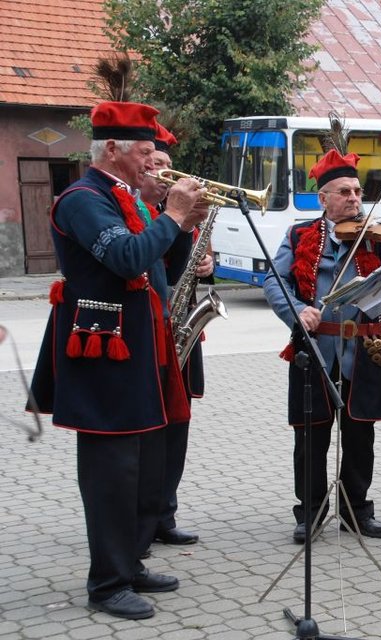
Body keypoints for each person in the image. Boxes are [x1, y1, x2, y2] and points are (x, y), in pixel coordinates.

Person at [27, 101, 208, 620]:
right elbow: (125, 258)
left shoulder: (126, 198)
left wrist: (183, 224)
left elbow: (158, 263)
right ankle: (106, 584)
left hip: (138, 343)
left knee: (144, 461)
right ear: (113, 149)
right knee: (111, 469)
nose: (155, 164)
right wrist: (170, 212)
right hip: (101, 346)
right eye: (146, 153)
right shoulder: (83, 199)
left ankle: (129, 563)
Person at [264, 148, 381, 543]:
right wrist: (297, 310)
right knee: (310, 437)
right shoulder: (299, 235)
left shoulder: (376, 238)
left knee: (359, 436)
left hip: (363, 351)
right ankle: (310, 514)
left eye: (357, 191)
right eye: (344, 192)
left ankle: (357, 511)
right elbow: (274, 281)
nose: (354, 198)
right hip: (314, 350)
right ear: (323, 199)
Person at [139, 124, 213, 548]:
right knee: (152, 429)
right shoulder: (145, 216)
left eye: (168, 165)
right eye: (156, 165)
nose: (165, 172)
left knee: (178, 425)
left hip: (180, 328)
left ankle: (164, 513)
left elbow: (191, 267)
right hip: (151, 332)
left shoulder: (177, 220)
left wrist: (206, 262)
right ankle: (144, 520)